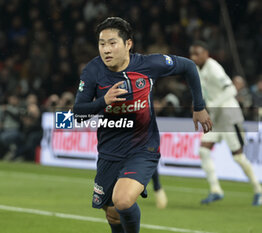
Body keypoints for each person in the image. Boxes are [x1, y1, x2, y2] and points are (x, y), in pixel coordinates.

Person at [73, 17, 212, 233]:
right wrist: (103, 102)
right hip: (109, 151)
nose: (106, 50)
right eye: (102, 44)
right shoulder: (93, 71)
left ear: (128, 44)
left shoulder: (148, 65)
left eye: (112, 43)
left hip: (143, 148)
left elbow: (189, 66)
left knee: (123, 201)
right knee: (111, 211)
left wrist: (199, 106)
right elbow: (78, 114)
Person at [189, 41, 262, 206]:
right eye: (192, 54)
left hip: (229, 116)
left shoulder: (213, 68)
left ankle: (258, 190)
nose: (194, 57)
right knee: (203, 150)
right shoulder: (198, 70)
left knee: (238, 157)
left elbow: (231, 90)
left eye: (197, 53)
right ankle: (216, 190)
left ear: (206, 53)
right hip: (216, 118)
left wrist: (212, 104)